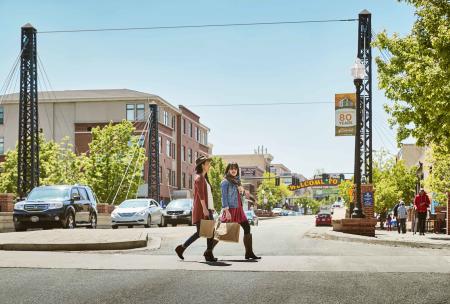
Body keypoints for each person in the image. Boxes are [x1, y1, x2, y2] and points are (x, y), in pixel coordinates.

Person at [175, 156, 218, 262]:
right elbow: (201, 194)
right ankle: (206, 253)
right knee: (207, 232)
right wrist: (204, 208)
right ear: (202, 165)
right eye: (208, 164)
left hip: (207, 209)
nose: (209, 166)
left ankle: (184, 248)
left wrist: (211, 208)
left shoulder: (204, 178)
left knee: (208, 232)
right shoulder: (199, 178)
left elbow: (208, 195)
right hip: (202, 210)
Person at [221, 162, 261, 260]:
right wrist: (226, 211)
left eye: (235, 168)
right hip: (231, 209)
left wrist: (242, 191)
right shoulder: (225, 182)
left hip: (239, 209)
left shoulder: (237, 181)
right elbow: (224, 197)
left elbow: (240, 195)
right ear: (228, 170)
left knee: (247, 227)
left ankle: (249, 252)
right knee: (221, 231)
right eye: (231, 169)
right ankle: (209, 251)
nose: (233, 170)